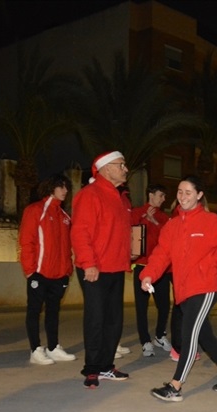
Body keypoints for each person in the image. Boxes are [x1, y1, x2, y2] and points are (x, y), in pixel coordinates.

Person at [140, 175, 217, 402]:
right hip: (183, 290)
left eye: (188, 192)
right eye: (180, 192)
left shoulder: (212, 222)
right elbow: (161, 254)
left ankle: (175, 386)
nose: (182, 196)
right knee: (204, 334)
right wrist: (148, 274)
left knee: (189, 334)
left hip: (205, 287)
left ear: (199, 195)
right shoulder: (172, 226)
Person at [71, 151, 132, 389]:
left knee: (114, 320)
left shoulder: (121, 198)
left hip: (116, 266)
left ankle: (106, 365)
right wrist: (88, 263)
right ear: (106, 168)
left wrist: (128, 254)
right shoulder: (90, 194)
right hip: (95, 268)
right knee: (96, 319)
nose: (125, 169)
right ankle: (92, 368)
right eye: (121, 165)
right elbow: (80, 232)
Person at [19, 173, 76, 365]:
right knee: (34, 311)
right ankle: (35, 350)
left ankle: (53, 347)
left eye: (67, 187)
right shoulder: (35, 210)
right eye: (61, 186)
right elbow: (26, 242)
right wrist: (30, 271)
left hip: (60, 275)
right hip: (39, 273)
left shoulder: (65, 216)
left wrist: (68, 270)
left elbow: (67, 246)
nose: (65, 190)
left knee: (53, 311)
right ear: (51, 187)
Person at [131, 183, 173, 357]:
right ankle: (145, 341)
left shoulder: (163, 217)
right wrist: (143, 218)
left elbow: (168, 239)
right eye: (161, 195)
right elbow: (128, 232)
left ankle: (160, 335)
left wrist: (153, 222)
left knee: (164, 306)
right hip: (142, 268)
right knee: (141, 308)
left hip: (161, 269)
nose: (163, 199)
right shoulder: (136, 213)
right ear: (151, 195)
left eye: (164, 196)